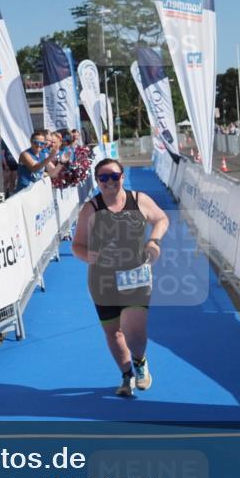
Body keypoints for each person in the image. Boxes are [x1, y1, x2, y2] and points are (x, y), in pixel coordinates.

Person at [72, 159, 170, 397]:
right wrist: (90, 256)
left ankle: (139, 361)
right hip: (102, 280)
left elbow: (161, 219)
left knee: (134, 330)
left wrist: (154, 240)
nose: (109, 182)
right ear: (97, 181)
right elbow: (77, 246)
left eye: (114, 176)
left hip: (136, 275)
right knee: (114, 332)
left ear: (122, 177)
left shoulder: (139, 200)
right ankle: (126, 375)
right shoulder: (90, 209)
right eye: (103, 178)